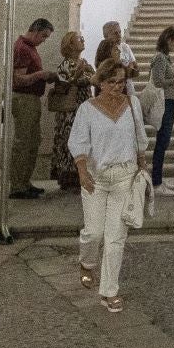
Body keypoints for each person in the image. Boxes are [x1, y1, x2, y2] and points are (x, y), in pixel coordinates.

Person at [71, 58, 149, 314]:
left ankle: (109, 291)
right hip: (96, 176)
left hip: (125, 176)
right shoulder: (87, 109)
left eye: (122, 82)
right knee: (94, 233)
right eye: (112, 82)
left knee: (115, 237)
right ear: (100, 82)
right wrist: (82, 172)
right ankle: (87, 261)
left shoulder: (132, 104)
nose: (117, 87)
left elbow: (139, 138)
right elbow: (79, 143)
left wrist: (143, 164)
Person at [10, 18, 55, 200]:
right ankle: (17, 186)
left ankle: (25, 181)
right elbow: (17, 79)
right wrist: (41, 75)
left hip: (32, 99)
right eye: (43, 36)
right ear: (35, 30)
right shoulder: (22, 48)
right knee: (23, 143)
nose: (44, 40)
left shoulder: (30, 48)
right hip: (24, 99)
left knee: (33, 141)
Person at [45, 30, 94, 192]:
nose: (83, 40)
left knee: (83, 140)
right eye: (80, 39)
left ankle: (81, 174)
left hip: (84, 105)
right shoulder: (66, 63)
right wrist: (79, 72)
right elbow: (64, 85)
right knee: (70, 140)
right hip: (71, 109)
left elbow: (94, 79)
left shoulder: (84, 61)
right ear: (71, 44)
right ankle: (69, 177)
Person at [147, 26, 174, 197]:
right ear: (168, 40)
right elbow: (158, 81)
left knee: (164, 141)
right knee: (162, 142)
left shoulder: (165, 58)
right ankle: (156, 182)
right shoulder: (160, 58)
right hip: (164, 103)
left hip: (169, 101)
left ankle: (159, 179)